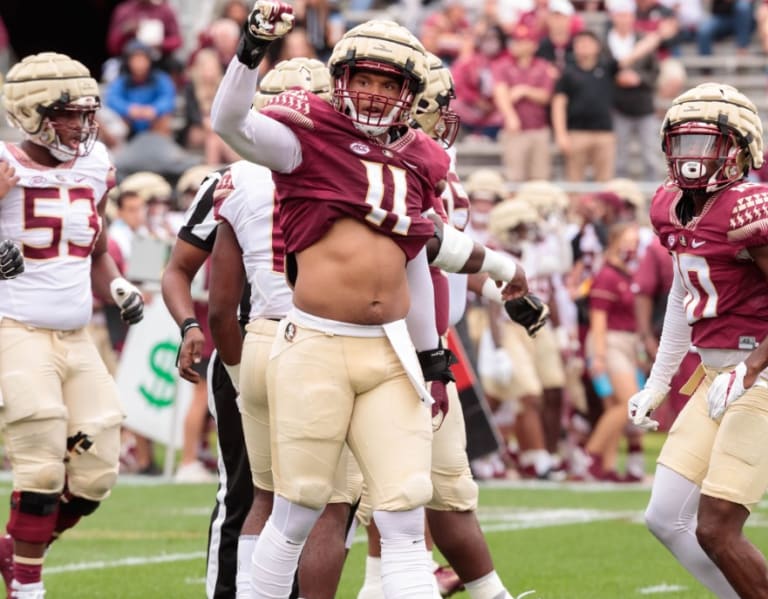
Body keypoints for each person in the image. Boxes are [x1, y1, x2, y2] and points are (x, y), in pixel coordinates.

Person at [212, 5, 525, 597]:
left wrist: (435, 361)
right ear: (342, 81)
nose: (376, 94)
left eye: (389, 83)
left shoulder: (421, 158)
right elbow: (229, 120)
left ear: (409, 94)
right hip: (316, 346)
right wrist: (252, 46)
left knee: (405, 513)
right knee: (298, 509)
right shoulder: (306, 137)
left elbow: (415, 262)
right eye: (365, 80)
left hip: (391, 353)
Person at [206, 57, 363, 599]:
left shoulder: (238, 178)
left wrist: (236, 364)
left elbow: (221, 304)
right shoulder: (352, 167)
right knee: (329, 503)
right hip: (321, 340)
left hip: (261, 338)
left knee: (266, 497)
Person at [0, 52, 144, 598]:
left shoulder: (94, 165)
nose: (83, 127)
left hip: (76, 336)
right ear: (32, 111)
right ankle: (28, 589)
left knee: (98, 466)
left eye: (87, 114)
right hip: (17, 331)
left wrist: (116, 286)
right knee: (39, 469)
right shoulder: (2, 163)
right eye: (69, 114)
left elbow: (96, 247)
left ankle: (13, 550)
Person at [628, 82, 768, 598]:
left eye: (707, 143)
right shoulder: (668, 205)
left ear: (740, 149)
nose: (692, 157)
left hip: (759, 377)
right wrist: (658, 383)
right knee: (666, 518)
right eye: (683, 142)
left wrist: (750, 368)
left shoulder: (750, 207)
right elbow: (682, 295)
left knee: (715, 526)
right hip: (715, 376)